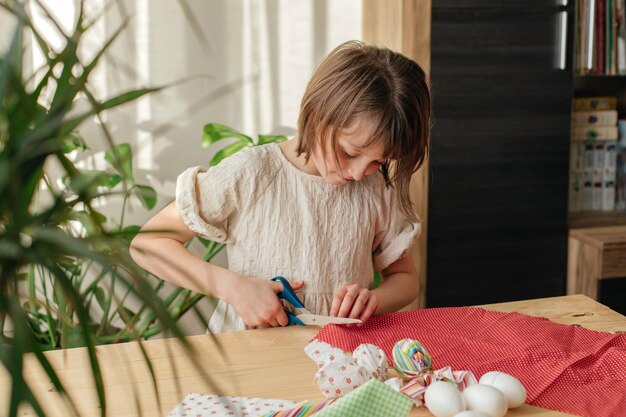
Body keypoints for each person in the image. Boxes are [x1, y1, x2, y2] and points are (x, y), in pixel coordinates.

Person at [130, 40, 431, 333]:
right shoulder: (253, 172)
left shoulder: (376, 188)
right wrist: (232, 287)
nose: (357, 172)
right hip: (249, 356)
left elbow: (404, 278)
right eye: (349, 153)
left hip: (339, 359)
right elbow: (148, 245)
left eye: (379, 161)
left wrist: (374, 300)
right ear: (316, 116)